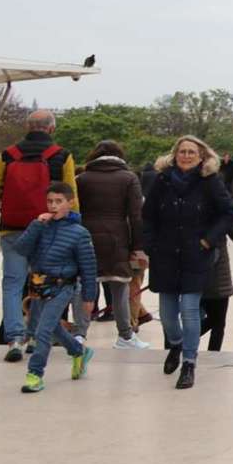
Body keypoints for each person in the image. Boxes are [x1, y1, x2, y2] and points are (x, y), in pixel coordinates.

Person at [0, 108, 77, 360]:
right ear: (51, 128)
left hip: (12, 229)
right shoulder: (62, 156)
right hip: (47, 230)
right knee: (39, 284)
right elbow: (71, 199)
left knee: (12, 284)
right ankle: (34, 336)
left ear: (27, 127)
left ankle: (14, 338)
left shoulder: (8, 155)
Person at [142, 135, 233, 391]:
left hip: (196, 253)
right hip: (165, 253)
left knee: (190, 309)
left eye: (191, 152)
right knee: (168, 313)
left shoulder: (210, 182)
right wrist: (149, 245)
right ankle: (176, 343)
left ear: (201, 156)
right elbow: (147, 216)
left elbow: (228, 213)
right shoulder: (161, 180)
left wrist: (209, 240)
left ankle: (189, 362)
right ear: (174, 155)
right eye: (182, 151)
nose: (186, 156)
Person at [12, 184, 98, 393]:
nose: (53, 206)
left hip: (62, 287)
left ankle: (34, 373)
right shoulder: (41, 226)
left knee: (43, 331)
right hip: (39, 285)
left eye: (58, 201)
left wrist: (89, 297)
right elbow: (21, 248)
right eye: (50, 201)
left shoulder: (80, 233)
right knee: (51, 326)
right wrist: (35, 226)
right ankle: (78, 351)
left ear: (70, 203)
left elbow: (88, 267)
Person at [75, 141, 150, 349]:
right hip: (118, 238)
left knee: (83, 288)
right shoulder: (129, 178)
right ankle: (125, 336)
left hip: (86, 237)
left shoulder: (81, 179)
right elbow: (136, 216)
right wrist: (138, 247)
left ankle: (79, 334)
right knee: (120, 288)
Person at [199, 192, 233, 352]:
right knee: (218, 322)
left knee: (195, 316)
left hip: (194, 270)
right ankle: (211, 354)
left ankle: (183, 343)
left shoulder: (190, 205)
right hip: (218, 273)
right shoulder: (223, 210)